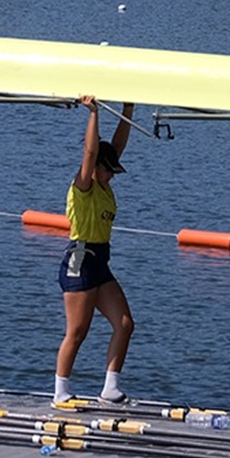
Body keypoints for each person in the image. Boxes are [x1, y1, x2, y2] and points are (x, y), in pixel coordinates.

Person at [54, 97, 137, 406]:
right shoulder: (83, 187)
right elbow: (91, 151)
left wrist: (128, 111)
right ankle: (60, 391)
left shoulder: (104, 185)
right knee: (78, 330)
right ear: (95, 169)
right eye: (109, 170)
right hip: (80, 259)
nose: (113, 175)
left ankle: (110, 389)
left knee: (125, 324)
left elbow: (114, 146)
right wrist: (93, 113)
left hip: (101, 261)